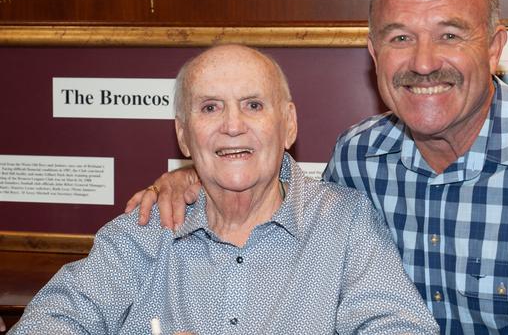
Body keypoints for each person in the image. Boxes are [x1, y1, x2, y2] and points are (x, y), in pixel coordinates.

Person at [127, 0, 508, 333]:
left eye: (449, 34)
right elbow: (285, 214)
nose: (423, 63)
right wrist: (198, 176)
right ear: (374, 54)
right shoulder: (359, 158)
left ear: (494, 47)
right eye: (399, 38)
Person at [10, 45, 439, 334]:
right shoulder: (144, 229)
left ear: (288, 124)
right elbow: (49, 322)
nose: (233, 126)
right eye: (210, 107)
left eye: (253, 105)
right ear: (183, 135)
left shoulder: (346, 225)